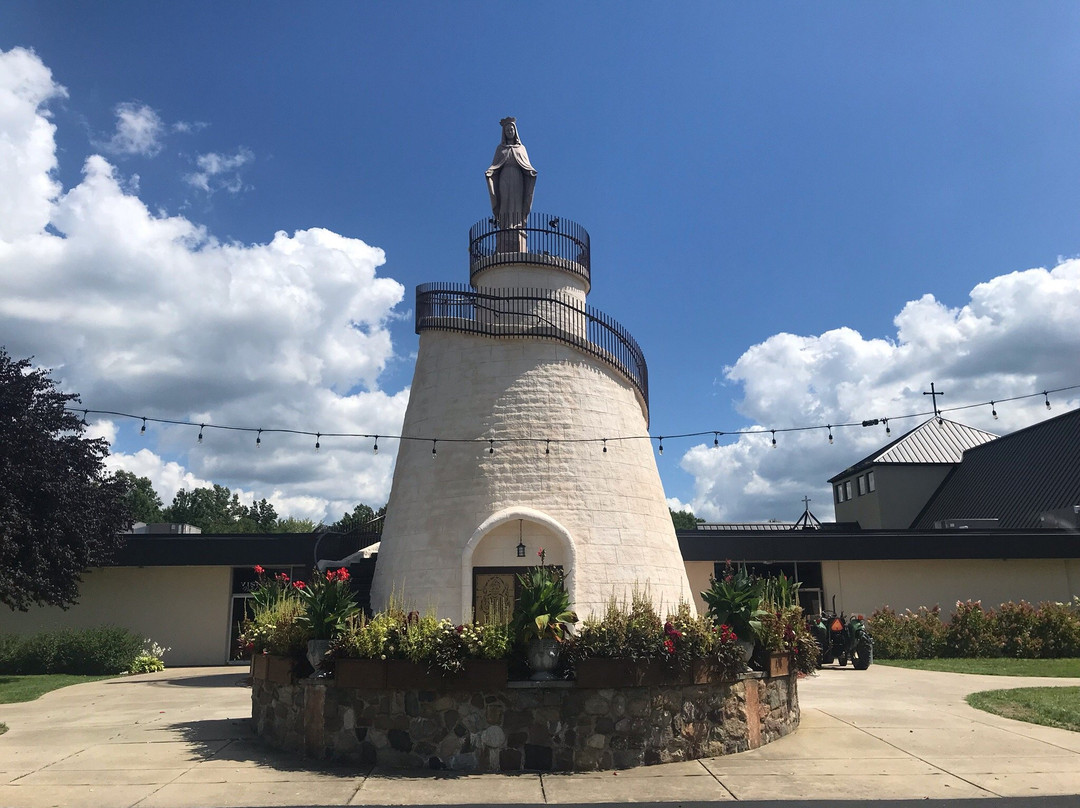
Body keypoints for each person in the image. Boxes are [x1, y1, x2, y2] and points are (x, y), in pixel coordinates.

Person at [485, 117, 537, 229]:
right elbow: (495, 165)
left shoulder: (521, 148)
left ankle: (518, 224)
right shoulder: (500, 149)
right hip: (504, 177)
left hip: (518, 177)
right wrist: (490, 172)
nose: (509, 132)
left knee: (517, 200)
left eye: (511, 130)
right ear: (504, 133)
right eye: (507, 130)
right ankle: (504, 225)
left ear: (515, 131)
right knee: (505, 200)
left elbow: (526, 165)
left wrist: (531, 172)